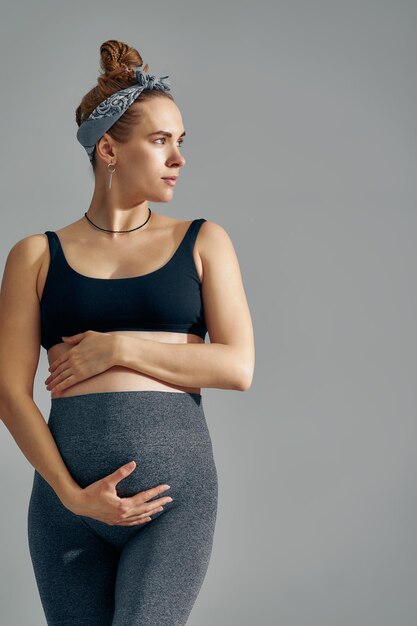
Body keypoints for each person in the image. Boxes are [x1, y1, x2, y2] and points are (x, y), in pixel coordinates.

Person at [0, 39, 255, 625]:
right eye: (161, 140)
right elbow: (12, 394)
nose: (179, 158)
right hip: (66, 506)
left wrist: (117, 347)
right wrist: (70, 494)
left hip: (171, 502)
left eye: (180, 142)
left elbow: (237, 367)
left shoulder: (202, 241)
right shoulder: (35, 255)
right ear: (109, 149)